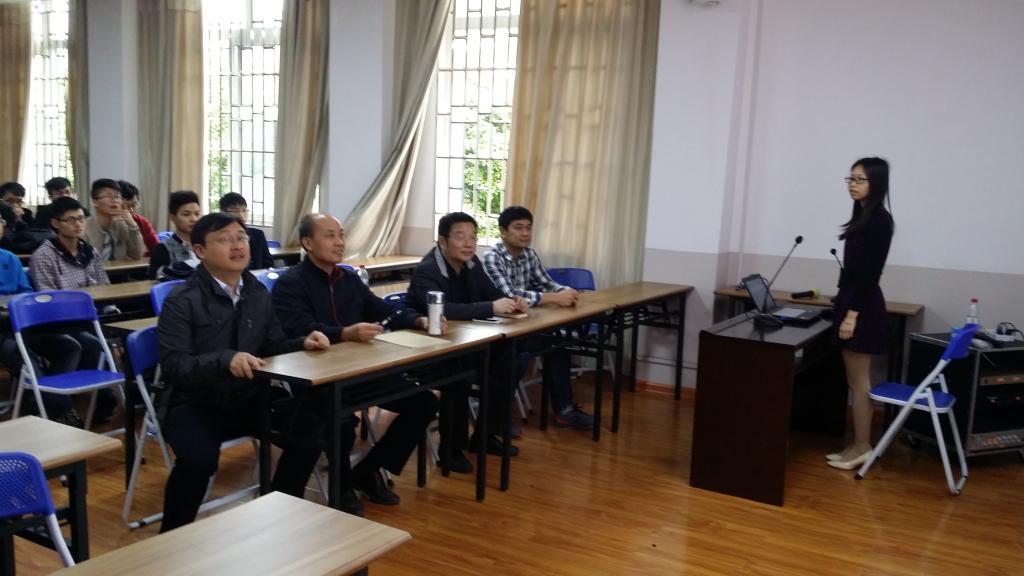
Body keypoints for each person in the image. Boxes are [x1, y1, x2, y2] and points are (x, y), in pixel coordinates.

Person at [157, 212, 330, 532]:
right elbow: (174, 366)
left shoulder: (256, 291)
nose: (237, 246)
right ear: (200, 251)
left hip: (249, 395)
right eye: (225, 240)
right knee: (197, 461)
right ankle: (171, 537)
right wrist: (225, 360)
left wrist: (301, 343)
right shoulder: (182, 300)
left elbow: (271, 345)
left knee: (310, 431)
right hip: (195, 401)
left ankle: (279, 514)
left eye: (241, 237)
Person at [272, 213, 439, 512]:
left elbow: (381, 309)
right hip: (318, 377)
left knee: (423, 402)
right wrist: (344, 333)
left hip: (360, 370)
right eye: (330, 236)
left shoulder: (347, 277)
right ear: (308, 242)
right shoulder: (291, 283)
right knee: (340, 419)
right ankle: (341, 487)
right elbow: (298, 328)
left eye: (341, 235)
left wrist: (418, 320)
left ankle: (367, 471)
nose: (339, 242)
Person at [407, 211, 527, 472]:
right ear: (442, 241)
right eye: (460, 237)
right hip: (427, 349)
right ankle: (450, 449)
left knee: (511, 357)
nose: (469, 244)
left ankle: (484, 436)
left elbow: (491, 294)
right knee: (457, 372)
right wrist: (491, 307)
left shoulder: (472, 263)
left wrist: (511, 302)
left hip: (462, 341)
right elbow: (442, 309)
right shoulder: (427, 271)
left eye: (473, 237)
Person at [483, 206, 593, 429]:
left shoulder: (529, 254)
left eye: (528, 228)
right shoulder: (492, 258)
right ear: (503, 232)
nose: (525, 233)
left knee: (557, 343)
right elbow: (509, 294)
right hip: (498, 330)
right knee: (517, 356)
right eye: (518, 228)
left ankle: (564, 412)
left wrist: (566, 291)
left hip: (525, 325)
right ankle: (497, 418)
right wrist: (553, 298)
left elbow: (545, 282)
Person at [826, 157, 895, 471]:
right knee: (853, 381)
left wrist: (851, 315)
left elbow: (870, 274)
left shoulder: (880, 221)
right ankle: (855, 445)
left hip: (862, 307)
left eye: (859, 179)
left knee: (859, 382)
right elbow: (854, 271)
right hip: (852, 300)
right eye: (850, 179)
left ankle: (863, 447)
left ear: (875, 183)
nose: (852, 185)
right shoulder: (862, 217)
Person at [24, 196, 115, 424]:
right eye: (71, 220)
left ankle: (98, 400)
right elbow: (47, 297)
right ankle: (57, 406)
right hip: (52, 322)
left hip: (85, 318)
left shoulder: (89, 251)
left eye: (81, 219)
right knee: (83, 344)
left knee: (99, 340)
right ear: (56, 223)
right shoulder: (44, 255)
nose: (78, 224)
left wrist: (108, 306)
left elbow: (104, 285)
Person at [84, 178, 144, 261]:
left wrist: (133, 226)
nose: (114, 200)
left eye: (117, 196)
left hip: (118, 269)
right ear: (95, 202)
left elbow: (137, 255)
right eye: (109, 196)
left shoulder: (121, 226)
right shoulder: (84, 228)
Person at [148, 191, 202, 280]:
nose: (194, 219)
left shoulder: (206, 244)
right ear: (172, 217)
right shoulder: (163, 248)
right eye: (186, 214)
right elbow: (155, 277)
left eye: (197, 214)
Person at [218, 192, 273, 269]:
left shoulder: (258, 234)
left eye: (244, 210)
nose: (241, 215)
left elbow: (268, 262)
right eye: (235, 211)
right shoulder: (218, 236)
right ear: (223, 212)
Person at [119, 180, 159, 254]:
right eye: (125, 206)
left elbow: (157, 250)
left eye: (134, 205)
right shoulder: (108, 222)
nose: (131, 210)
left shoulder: (142, 222)